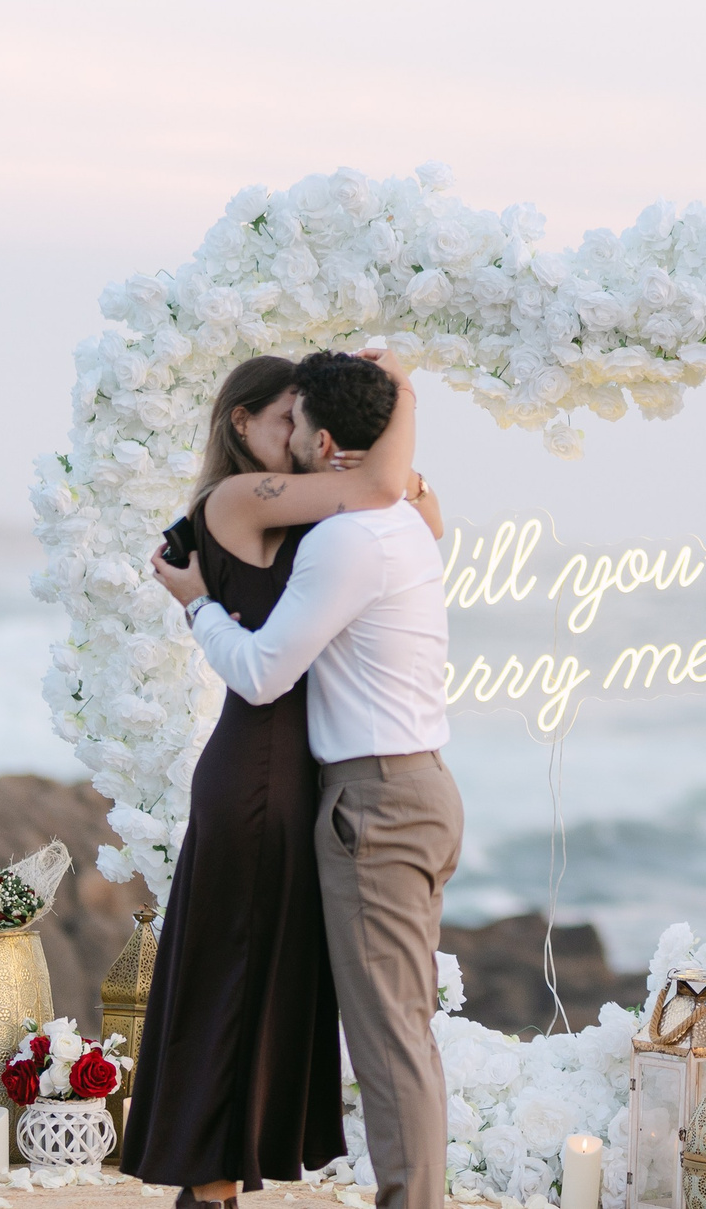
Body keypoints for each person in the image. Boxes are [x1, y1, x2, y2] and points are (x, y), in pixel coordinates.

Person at [125, 350, 439, 1209]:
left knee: (266, 978)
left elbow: (384, 496)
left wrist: (397, 425)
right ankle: (207, 1181)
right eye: (282, 419)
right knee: (232, 970)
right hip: (257, 772)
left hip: (306, 777)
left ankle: (222, 1178)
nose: (294, 436)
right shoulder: (234, 500)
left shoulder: (316, 521)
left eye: (304, 420)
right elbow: (379, 485)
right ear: (243, 424)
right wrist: (403, 392)